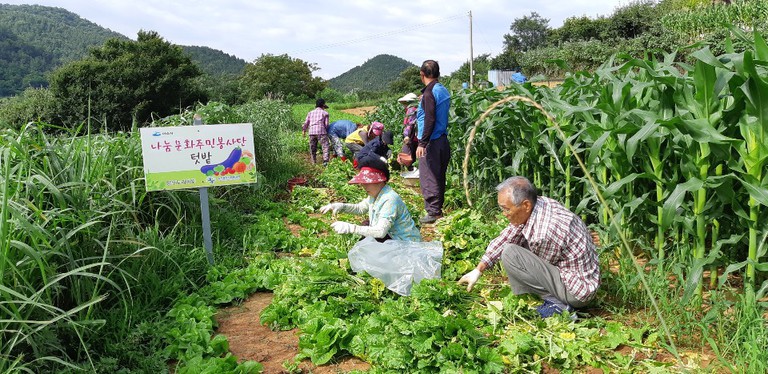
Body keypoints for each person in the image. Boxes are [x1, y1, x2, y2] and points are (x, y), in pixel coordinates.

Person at [457, 176, 600, 319]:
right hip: (582, 278)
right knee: (514, 246)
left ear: (525, 205)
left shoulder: (543, 233)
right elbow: (508, 235)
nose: (504, 214)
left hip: (577, 292)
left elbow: (540, 270)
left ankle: (560, 306)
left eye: (506, 209)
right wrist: (478, 270)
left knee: (510, 254)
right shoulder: (539, 204)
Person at [319, 166, 421, 242]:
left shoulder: (390, 199)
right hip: (391, 236)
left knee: (368, 236)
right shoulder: (375, 195)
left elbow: (380, 232)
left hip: (404, 243)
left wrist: (352, 228)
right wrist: (341, 206)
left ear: (380, 181)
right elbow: (360, 208)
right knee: (366, 225)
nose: (363, 186)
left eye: (367, 183)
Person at [415, 60, 451, 224]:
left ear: (422, 74)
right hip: (442, 139)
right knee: (438, 176)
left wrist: (422, 143)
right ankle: (437, 210)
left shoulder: (429, 93)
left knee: (428, 176)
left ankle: (433, 212)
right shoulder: (442, 90)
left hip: (432, 141)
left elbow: (430, 119)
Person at [302, 98, 330, 166]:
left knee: (313, 148)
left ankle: (313, 162)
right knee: (325, 146)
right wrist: (327, 131)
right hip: (321, 132)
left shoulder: (310, 113)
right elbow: (326, 124)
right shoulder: (325, 113)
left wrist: (304, 130)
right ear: (323, 105)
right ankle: (325, 162)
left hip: (311, 132)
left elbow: (306, 123)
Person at [397, 93, 419, 171]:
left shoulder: (411, 109)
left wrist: (407, 135)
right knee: (415, 154)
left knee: (408, 154)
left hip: (412, 136)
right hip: (416, 136)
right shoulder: (417, 108)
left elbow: (410, 124)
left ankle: (411, 171)